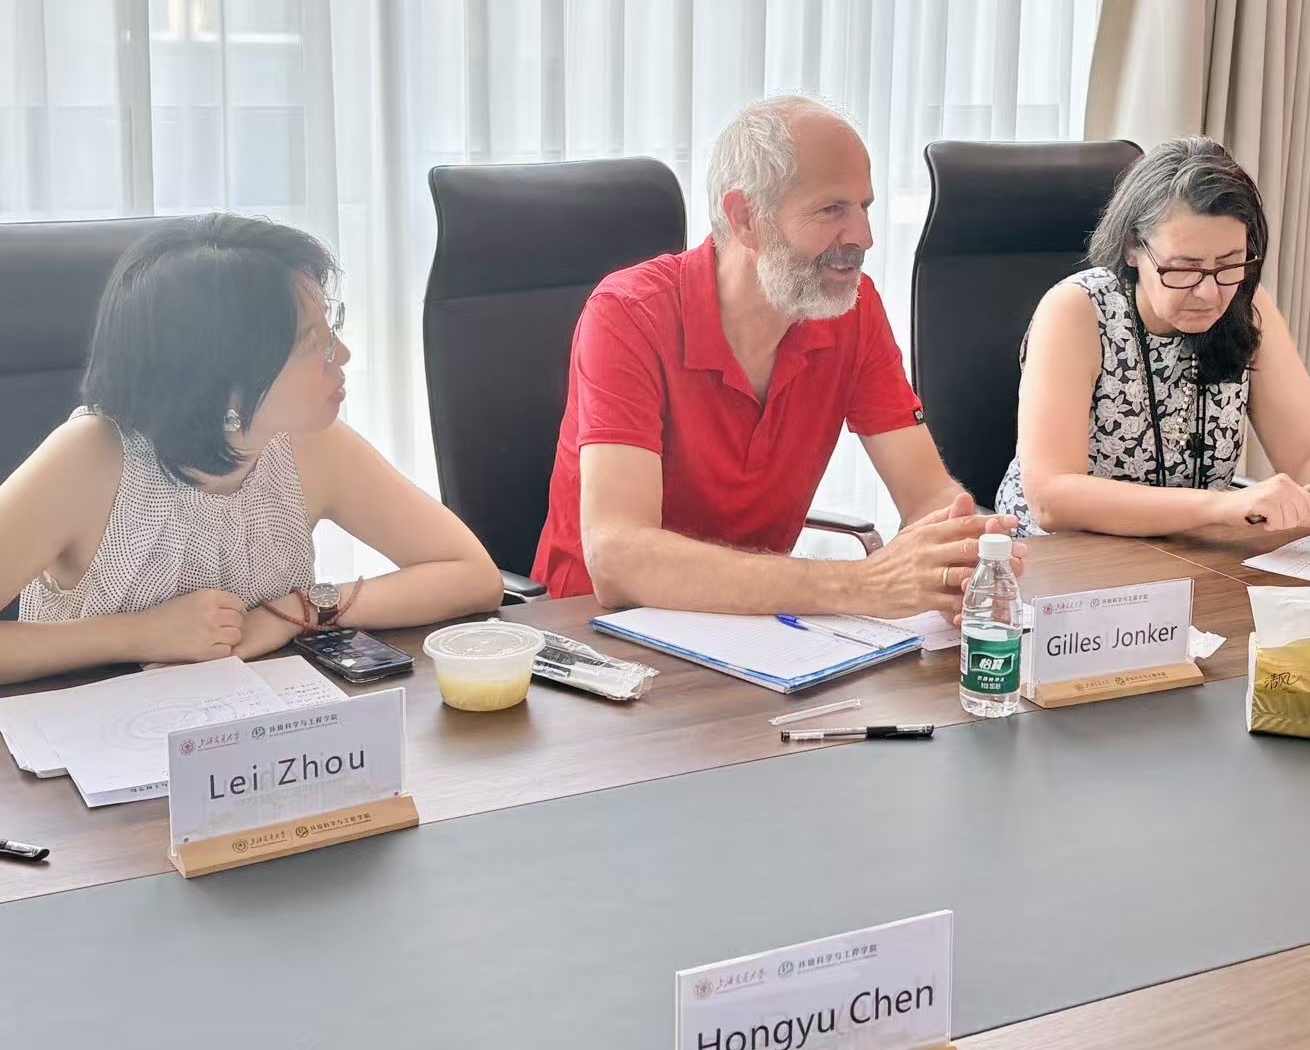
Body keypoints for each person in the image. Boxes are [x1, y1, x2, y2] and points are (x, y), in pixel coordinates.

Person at [533, 95, 1021, 615]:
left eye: (864, 207)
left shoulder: (853, 309)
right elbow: (618, 558)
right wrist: (863, 584)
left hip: (758, 630)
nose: (864, 237)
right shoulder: (628, 314)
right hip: (594, 629)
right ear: (746, 218)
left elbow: (927, 495)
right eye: (832, 210)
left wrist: (966, 558)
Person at [0, 215, 503, 686]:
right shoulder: (90, 457)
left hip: (251, 723)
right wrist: (138, 634)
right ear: (222, 375)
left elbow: (473, 575)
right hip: (82, 732)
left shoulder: (308, 444)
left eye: (332, 331)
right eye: (314, 344)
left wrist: (298, 610)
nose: (343, 355)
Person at [996, 135, 1310, 539]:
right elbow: (1052, 498)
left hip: (1188, 553)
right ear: (1132, 248)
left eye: (1229, 264)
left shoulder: (1245, 305)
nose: (1209, 293)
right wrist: (1221, 506)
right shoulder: (1078, 311)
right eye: (1184, 268)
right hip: (1061, 558)